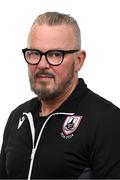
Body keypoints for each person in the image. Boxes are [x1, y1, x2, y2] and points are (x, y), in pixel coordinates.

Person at [0, 11, 120, 180]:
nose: (42, 64)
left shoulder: (107, 120)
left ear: (79, 60)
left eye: (55, 54)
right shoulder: (18, 117)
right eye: (34, 53)